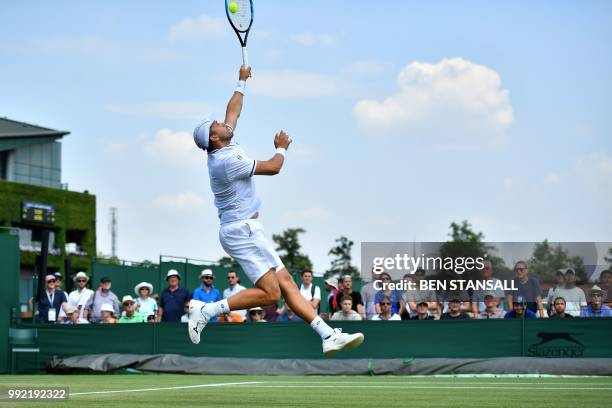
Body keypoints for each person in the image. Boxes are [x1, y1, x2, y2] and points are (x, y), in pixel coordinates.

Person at [188, 67, 363, 355]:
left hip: (247, 228)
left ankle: (327, 334)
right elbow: (273, 168)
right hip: (240, 230)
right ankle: (207, 311)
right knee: (272, 294)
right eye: (215, 125)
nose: (220, 121)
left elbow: (233, 111)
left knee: (287, 284)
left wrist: (242, 80)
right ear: (214, 139)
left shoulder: (223, 142)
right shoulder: (225, 162)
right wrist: (281, 148)